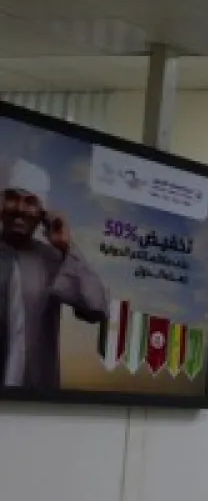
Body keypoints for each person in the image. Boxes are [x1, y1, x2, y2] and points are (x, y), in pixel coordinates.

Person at [0, 158, 108, 390]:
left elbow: (96, 305)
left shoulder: (53, 260)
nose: (19, 208)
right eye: (11, 197)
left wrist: (67, 247)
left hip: (37, 402)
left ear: (42, 213)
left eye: (30, 201)